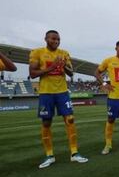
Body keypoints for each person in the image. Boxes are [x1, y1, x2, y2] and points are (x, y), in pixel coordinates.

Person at [29, 30, 88, 169]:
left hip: (62, 92)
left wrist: (64, 67)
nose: (56, 41)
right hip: (46, 93)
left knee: (70, 119)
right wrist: (51, 67)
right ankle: (49, 155)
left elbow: (71, 72)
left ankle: (74, 153)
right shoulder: (36, 53)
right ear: (46, 39)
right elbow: (32, 74)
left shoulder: (64, 53)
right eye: (53, 39)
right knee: (46, 122)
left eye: (58, 39)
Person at [95, 40, 119, 155]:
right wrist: (105, 84)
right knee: (111, 120)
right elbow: (97, 72)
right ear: (116, 48)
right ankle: (108, 145)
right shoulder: (109, 61)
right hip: (113, 97)